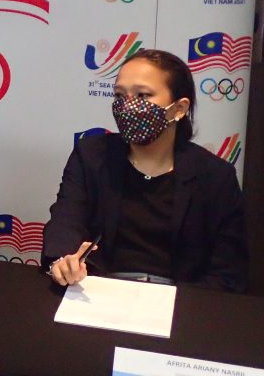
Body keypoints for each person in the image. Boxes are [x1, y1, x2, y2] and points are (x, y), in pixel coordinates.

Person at [43, 49, 248, 292]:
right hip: (98, 291)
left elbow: (228, 270)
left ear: (179, 108)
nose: (128, 107)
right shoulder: (91, 155)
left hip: (180, 299)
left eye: (143, 95)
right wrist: (64, 262)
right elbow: (66, 220)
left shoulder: (215, 176)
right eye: (120, 96)